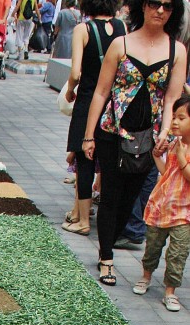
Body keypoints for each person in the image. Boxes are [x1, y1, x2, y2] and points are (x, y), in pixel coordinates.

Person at [83, 0, 187, 285]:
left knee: (130, 200)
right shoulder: (121, 44)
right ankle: (106, 258)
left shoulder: (176, 50)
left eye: (168, 6)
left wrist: (165, 132)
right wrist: (88, 135)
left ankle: (108, 243)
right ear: (143, 6)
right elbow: (101, 92)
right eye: (155, 4)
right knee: (111, 195)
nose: (160, 11)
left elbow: (171, 98)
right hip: (112, 132)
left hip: (147, 137)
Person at [63, 0, 126, 236]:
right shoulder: (121, 27)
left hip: (88, 99)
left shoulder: (83, 29)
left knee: (84, 160)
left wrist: (70, 90)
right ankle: (96, 216)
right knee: (108, 159)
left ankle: (82, 220)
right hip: (113, 103)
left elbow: (75, 72)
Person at [132, 94, 190, 307]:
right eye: (173, 117)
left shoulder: (182, 149)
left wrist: (182, 158)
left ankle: (170, 291)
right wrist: (157, 156)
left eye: (181, 118)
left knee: (178, 253)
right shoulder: (175, 143)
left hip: (184, 212)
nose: (174, 122)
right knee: (153, 246)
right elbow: (167, 173)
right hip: (162, 206)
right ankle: (146, 276)